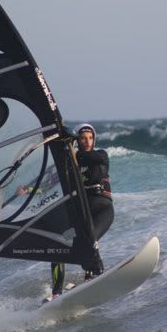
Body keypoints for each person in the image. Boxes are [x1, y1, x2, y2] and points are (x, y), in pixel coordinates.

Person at [47, 123, 114, 300]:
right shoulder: (72, 162)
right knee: (57, 246)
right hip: (82, 214)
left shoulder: (101, 155)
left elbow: (87, 158)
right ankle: (56, 293)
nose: (86, 141)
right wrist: (29, 189)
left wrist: (72, 145)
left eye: (90, 138)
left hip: (102, 210)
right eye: (82, 138)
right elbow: (53, 180)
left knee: (90, 240)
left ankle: (94, 276)